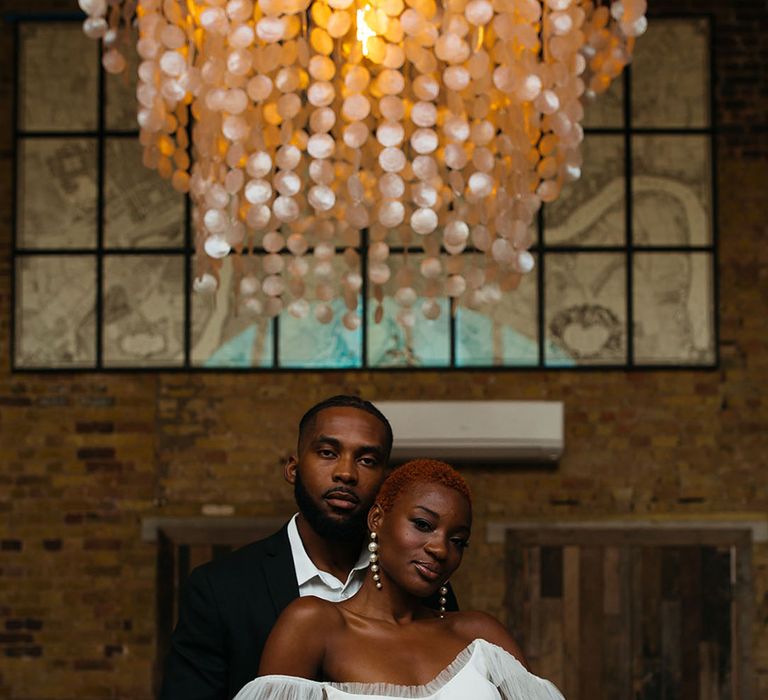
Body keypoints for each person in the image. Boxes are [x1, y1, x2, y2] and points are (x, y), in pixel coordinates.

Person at [160, 396, 457, 700]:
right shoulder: (220, 589)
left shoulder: (418, 583)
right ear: (293, 468)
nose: (346, 473)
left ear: (385, 483)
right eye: (328, 453)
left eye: (367, 460)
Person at [234, 459, 565, 700]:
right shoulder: (314, 624)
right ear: (377, 519)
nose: (440, 549)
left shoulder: (480, 636)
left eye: (458, 540)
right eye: (423, 524)